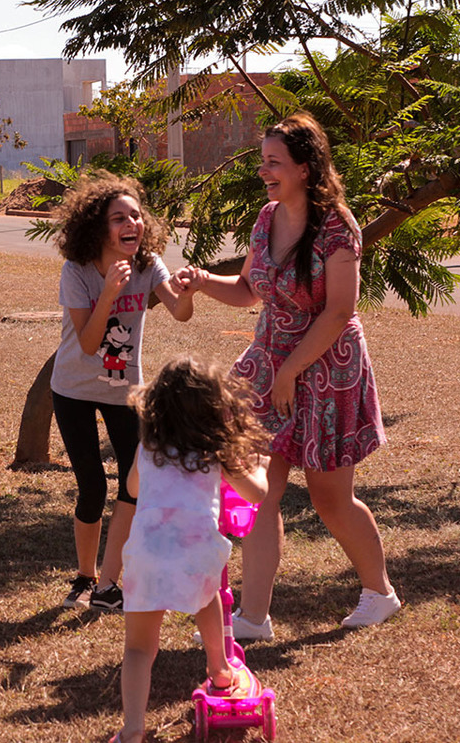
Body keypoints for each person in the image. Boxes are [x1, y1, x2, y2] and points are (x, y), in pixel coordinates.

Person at [175, 111, 399, 640]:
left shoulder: (337, 226)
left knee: (329, 497)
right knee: (259, 491)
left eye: (274, 162)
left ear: (305, 166)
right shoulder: (266, 216)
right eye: (262, 161)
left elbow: (339, 310)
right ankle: (253, 618)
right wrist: (203, 280)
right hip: (269, 357)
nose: (264, 171)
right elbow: (250, 291)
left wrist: (291, 372)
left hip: (327, 365)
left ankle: (380, 592)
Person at [50, 173, 196, 613]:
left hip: (124, 392)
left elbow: (180, 312)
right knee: (92, 487)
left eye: (136, 215)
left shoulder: (149, 265)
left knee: (136, 483)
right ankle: (84, 575)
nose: (131, 223)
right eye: (119, 218)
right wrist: (110, 291)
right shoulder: (77, 271)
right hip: (73, 388)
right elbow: (90, 343)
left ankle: (110, 583)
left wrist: (188, 292)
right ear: (98, 227)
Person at [113, 355, 270, 743]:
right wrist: (260, 465)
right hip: (196, 548)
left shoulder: (148, 447)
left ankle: (133, 727)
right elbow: (257, 492)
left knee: (138, 648)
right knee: (207, 598)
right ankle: (219, 668)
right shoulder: (213, 450)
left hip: (145, 554)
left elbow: (132, 490)